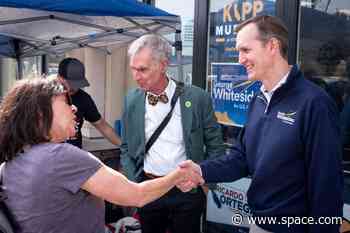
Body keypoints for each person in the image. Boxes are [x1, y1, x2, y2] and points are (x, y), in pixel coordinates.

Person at [179, 15, 343, 233]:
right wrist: (200, 170)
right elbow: (241, 159)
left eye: (246, 50)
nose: (239, 59)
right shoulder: (259, 99)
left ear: (272, 46)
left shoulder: (315, 104)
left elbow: (327, 188)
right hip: (257, 224)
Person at [0, 77, 197, 233]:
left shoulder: (10, 163)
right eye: (66, 102)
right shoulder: (59, 157)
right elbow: (136, 195)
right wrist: (179, 175)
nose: (74, 108)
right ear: (40, 115)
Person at [120, 34, 225, 233]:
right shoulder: (131, 99)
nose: (136, 76)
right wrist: (134, 184)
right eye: (133, 69)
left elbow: (215, 144)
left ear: (163, 65)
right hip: (149, 188)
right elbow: (126, 146)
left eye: (142, 69)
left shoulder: (197, 97)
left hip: (187, 191)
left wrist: (205, 183)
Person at [57, 57, 121, 148]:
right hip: (50, 156)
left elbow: (102, 125)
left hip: (75, 154)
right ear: (59, 77)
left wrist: (124, 147)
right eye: (70, 83)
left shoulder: (84, 98)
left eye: (77, 84)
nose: (74, 88)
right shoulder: (45, 97)